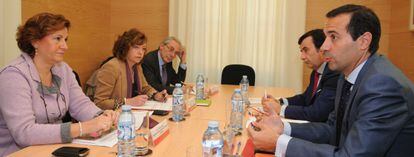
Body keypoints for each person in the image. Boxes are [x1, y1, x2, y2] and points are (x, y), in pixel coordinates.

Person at [248, 4, 414, 157]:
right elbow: (332, 129)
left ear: (363, 41)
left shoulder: (383, 85)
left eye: (333, 37)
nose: (324, 47)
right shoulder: (348, 74)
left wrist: (278, 143)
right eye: (326, 37)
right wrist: (283, 128)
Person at [0, 13, 118, 156]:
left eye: (65, 39)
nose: (65, 46)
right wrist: (82, 128)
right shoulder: (13, 75)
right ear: (35, 41)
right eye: (57, 39)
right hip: (19, 152)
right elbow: (24, 133)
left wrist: (101, 116)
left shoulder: (63, 69)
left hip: (54, 148)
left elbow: (80, 104)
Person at [263, 29, 339, 122]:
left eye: (306, 50)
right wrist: (279, 102)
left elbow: (317, 113)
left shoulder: (333, 74)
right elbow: (305, 98)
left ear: (321, 49)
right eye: (301, 51)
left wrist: (280, 109)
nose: (302, 57)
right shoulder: (316, 72)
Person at [94, 28, 167, 110]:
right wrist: (127, 102)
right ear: (125, 47)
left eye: (143, 48)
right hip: (116, 117)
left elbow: (145, 88)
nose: (140, 52)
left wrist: (156, 95)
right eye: (136, 47)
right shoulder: (111, 67)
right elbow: (99, 103)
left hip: (135, 113)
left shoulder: (137, 66)